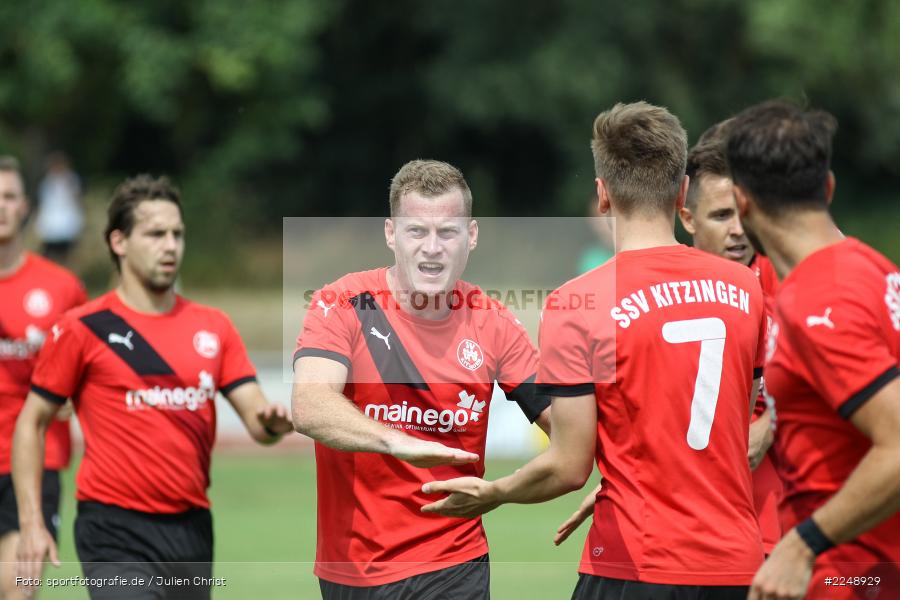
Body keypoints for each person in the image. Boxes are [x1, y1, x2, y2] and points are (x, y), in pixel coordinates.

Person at [422, 102, 768, 599]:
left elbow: (568, 465)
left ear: (603, 195)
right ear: (683, 192)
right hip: (738, 565)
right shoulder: (745, 289)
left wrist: (495, 493)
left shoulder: (576, 304)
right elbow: (734, 424)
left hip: (636, 560)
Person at [13, 174, 294, 600]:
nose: (170, 245)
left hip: (192, 528)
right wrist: (32, 523)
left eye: (178, 234)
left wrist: (273, 422)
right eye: (156, 234)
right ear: (119, 242)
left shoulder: (212, 327)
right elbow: (31, 423)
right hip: (112, 527)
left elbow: (257, 419)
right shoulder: (84, 328)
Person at [292, 159, 551, 599]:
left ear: (471, 236)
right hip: (353, 570)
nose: (432, 248)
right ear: (391, 233)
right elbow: (309, 405)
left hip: (454, 563)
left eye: (447, 232)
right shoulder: (343, 303)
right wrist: (397, 440)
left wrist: (501, 492)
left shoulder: (494, 323)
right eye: (417, 231)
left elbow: (569, 429)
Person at [726, 100, 900, 600]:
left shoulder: (818, 299)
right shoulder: (875, 269)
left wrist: (802, 544)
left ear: (741, 203)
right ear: (828, 187)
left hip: (855, 576)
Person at [0, 156, 85, 600]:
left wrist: (76, 396)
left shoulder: (61, 286)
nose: (0, 207)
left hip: (35, 460)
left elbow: (87, 366)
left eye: (9, 196)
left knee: (18, 590)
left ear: (26, 207)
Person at [34, 152, 84, 265]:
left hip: (67, 227)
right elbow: (44, 206)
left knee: (65, 258)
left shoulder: (71, 181)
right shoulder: (46, 183)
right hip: (50, 228)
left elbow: (76, 203)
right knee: (49, 258)